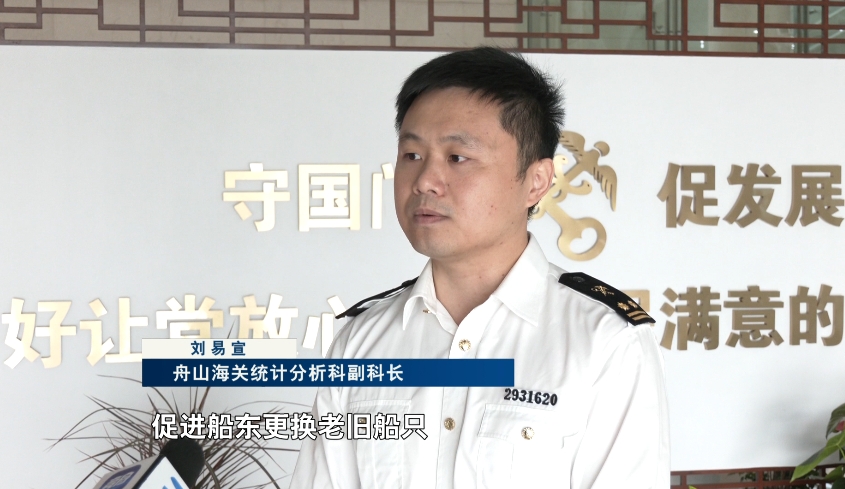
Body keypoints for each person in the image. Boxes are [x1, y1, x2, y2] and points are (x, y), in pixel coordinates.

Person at [289, 47, 670, 489]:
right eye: (411, 155)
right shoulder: (361, 342)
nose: (425, 181)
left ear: (536, 181)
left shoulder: (607, 341)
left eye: (457, 157)